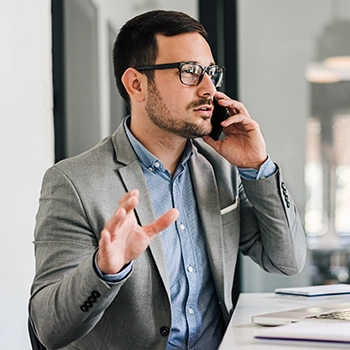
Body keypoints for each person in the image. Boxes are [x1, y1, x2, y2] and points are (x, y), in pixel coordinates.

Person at [29, 9, 306, 350]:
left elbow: (287, 260)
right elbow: (48, 329)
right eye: (190, 72)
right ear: (136, 84)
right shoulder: (73, 182)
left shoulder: (220, 170)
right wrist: (103, 270)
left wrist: (257, 166)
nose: (209, 89)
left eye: (210, 73)